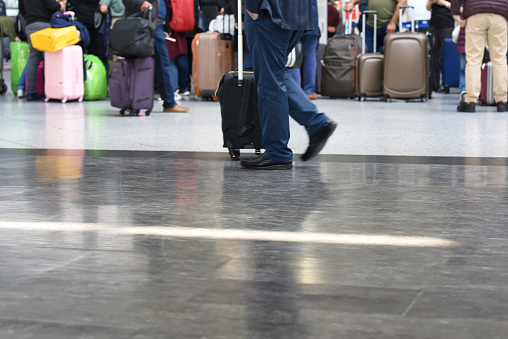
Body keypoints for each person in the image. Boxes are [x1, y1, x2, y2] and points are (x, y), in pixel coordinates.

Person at [240, 0, 337, 170]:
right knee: (274, 72)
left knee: (269, 80)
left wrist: (253, 6)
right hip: (299, 10)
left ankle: (277, 152)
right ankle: (316, 122)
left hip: (269, 10)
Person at [124, 0, 189, 112]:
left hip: (156, 25)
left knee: (163, 64)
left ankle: (169, 102)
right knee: (137, 63)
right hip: (142, 24)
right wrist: (141, 3)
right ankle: (132, 102)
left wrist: (164, 27)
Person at [451, 0, 508, 112]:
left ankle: (470, 101)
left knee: (473, 59)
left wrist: (455, 12)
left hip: (475, 13)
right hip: (500, 13)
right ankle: (502, 101)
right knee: (500, 59)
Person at [21, 0, 65, 101]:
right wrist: (60, 6)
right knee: (49, 59)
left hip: (30, 25)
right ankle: (50, 91)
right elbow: (51, 5)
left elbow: (22, 11)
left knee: (33, 58)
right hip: (45, 25)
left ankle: (31, 92)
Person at [427, 0, 455, 91]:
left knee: (446, 55)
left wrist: (443, 2)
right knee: (432, 53)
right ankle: (434, 83)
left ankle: (446, 83)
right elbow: (427, 7)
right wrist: (432, 2)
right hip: (433, 23)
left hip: (447, 24)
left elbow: (456, 8)